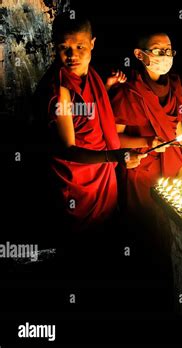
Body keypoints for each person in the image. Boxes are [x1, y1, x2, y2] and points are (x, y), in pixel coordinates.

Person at [36, 13, 145, 235]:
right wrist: (115, 156)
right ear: (54, 46)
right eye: (64, 47)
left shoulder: (90, 75)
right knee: (84, 244)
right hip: (80, 185)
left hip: (101, 174)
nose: (72, 55)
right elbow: (69, 150)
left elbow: (84, 112)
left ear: (92, 43)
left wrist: (105, 87)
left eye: (79, 46)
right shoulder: (60, 90)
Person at [110, 31, 182, 218]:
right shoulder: (128, 91)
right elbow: (114, 140)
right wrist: (146, 142)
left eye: (168, 51)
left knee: (174, 227)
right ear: (139, 54)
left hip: (172, 171)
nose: (164, 56)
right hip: (141, 174)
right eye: (157, 51)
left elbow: (179, 135)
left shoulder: (175, 86)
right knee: (147, 228)